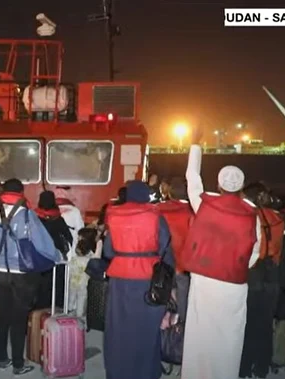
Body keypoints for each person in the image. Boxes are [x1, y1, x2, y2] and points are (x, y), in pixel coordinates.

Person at [180, 126, 261, 379]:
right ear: (242, 186)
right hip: (234, 283)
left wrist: (195, 144)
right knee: (229, 337)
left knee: (199, 333)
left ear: (219, 184)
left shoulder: (205, 204)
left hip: (204, 278)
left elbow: (192, 177)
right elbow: (255, 252)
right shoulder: (252, 213)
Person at [86, 180, 173, 379]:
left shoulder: (115, 216)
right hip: (148, 280)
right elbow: (166, 249)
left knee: (119, 330)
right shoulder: (156, 217)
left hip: (120, 281)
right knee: (147, 329)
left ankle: (118, 372)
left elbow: (108, 251)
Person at [0, 179, 62, 376]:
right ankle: (18, 364)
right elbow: (42, 243)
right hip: (22, 275)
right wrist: (55, 256)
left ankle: (2, 358)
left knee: (1, 317)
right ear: (20, 191)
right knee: (18, 320)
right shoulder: (27, 214)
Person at [239, 182, 284, 378]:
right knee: (266, 324)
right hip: (272, 273)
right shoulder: (278, 218)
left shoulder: (248, 217)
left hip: (253, 272)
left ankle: (244, 367)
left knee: (248, 322)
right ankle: (261, 368)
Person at [156, 177, 193, 322]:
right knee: (183, 294)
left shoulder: (158, 209)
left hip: (163, 261)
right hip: (184, 263)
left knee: (161, 293)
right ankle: (181, 325)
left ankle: (162, 324)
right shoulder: (192, 211)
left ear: (170, 193)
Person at [35, 191, 73, 309]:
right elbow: (68, 237)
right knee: (57, 282)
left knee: (40, 284)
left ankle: (40, 307)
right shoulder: (58, 217)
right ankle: (56, 305)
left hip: (38, 255)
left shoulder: (35, 217)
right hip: (56, 256)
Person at [68, 227, 96, 318]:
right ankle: (80, 314)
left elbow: (70, 268)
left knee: (71, 297)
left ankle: (70, 309)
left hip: (73, 282)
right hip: (84, 283)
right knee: (82, 298)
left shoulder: (74, 259)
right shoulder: (90, 258)